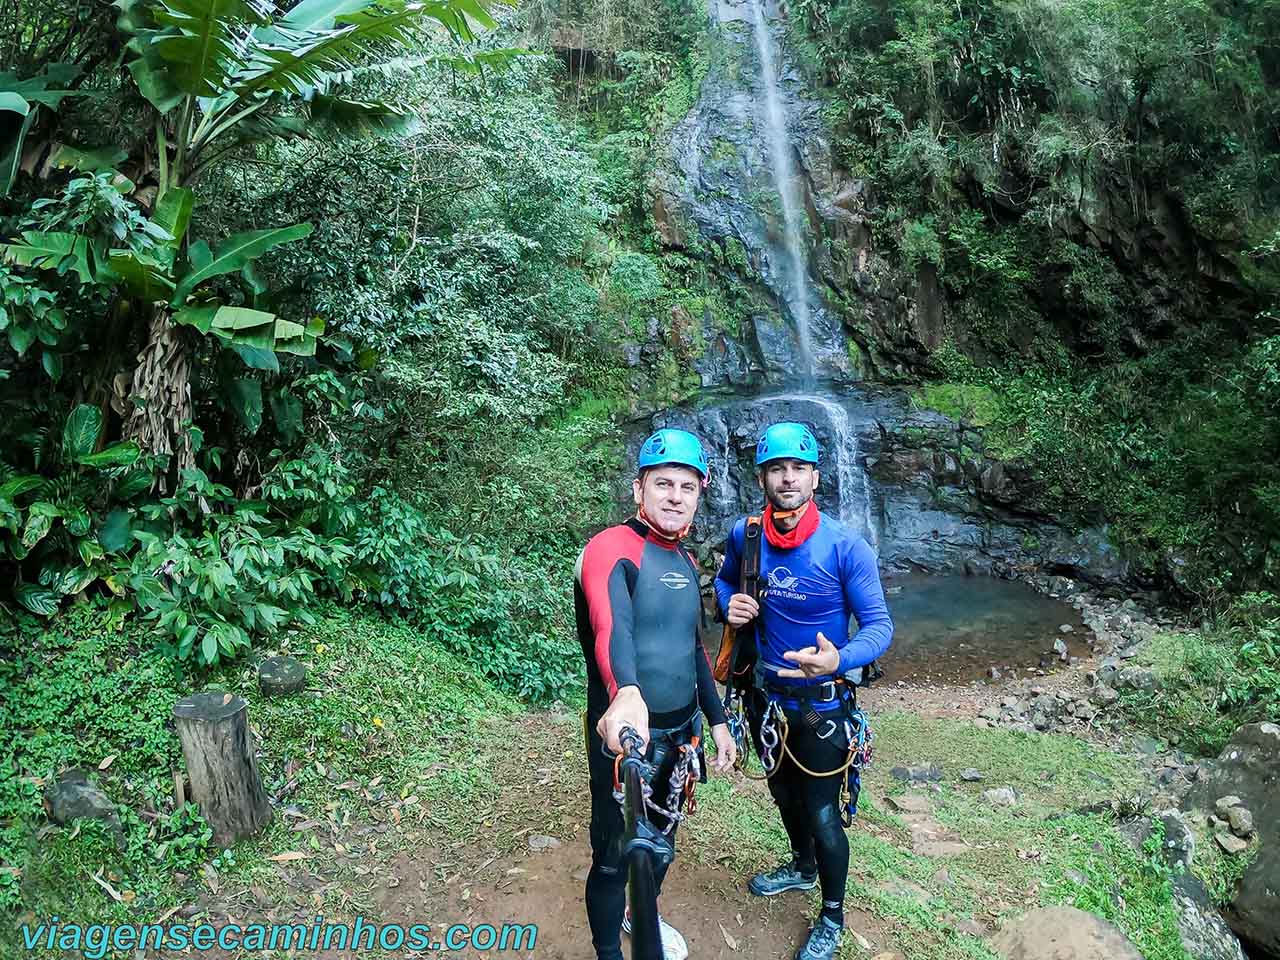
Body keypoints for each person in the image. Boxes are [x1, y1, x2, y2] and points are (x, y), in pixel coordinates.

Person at [714, 421, 893, 960]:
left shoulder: (845, 546)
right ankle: (801, 866)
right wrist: (729, 604)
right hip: (764, 699)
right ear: (763, 476)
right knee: (782, 794)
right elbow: (724, 581)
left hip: (823, 707)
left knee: (821, 810)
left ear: (816, 477)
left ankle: (833, 914)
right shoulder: (744, 538)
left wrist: (839, 658)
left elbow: (879, 626)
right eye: (776, 468)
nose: (787, 478)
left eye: (798, 468)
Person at [575, 427, 738, 960]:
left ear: (700, 493)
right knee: (613, 853)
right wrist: (624, 693)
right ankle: (608, 952)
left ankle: (637, 912)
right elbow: (611, 627)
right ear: (638, 488)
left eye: (686, 487)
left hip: (681, 732)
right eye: (663, 483)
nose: (674, 495)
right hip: (623, 735)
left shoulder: (688, 564)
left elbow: (692, 649)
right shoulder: (610, 549)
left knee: (663, 838)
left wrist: (716, 720)